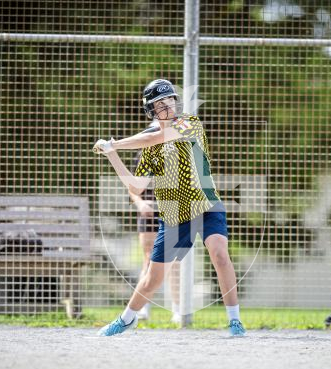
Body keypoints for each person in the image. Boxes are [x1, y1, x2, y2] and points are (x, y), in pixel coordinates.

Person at [93, 79, 245, 336]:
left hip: (207, 204)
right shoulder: (150, 149)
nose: (168, 108)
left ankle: (235, 320)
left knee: (219, 252)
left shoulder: (189, 124)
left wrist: (115, 143)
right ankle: (127, 318)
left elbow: (157, 136)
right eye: (160, 105)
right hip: (175, 214)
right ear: (151, 110)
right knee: (153, 278)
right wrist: (111, 154)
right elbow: (135, 187)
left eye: (170, 101)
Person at [129, 144, 181, 323]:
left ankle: (178, 311)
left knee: (175, 260)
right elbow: (132, 187)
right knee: (149, 258)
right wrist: (140, 204)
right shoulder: (143, 152)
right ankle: (142, 309)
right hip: (149, 211)